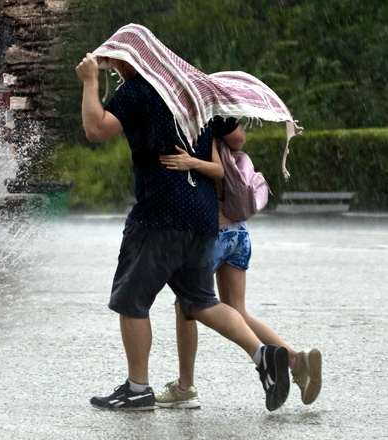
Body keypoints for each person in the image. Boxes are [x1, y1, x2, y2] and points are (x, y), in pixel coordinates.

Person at [77, 25, 293, 413]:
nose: (116, 71)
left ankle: (137, 389)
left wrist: (90, 82)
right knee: (201, 302)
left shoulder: (139, 90)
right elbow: (238, 139)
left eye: (116, 63)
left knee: (131, 299)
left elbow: (95, 129)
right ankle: (263, 356)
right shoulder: (198, 90)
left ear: (134, 59)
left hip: (158, 214)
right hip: (203, 215)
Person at [155, 138, 323, 409]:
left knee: (185, 303)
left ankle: (185, 387)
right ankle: (294, 359)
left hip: (215, 235)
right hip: (239, 233)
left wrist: (190, 162)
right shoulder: (228, 138)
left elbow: (216, 172)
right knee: (237, 310)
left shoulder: (203, 132)